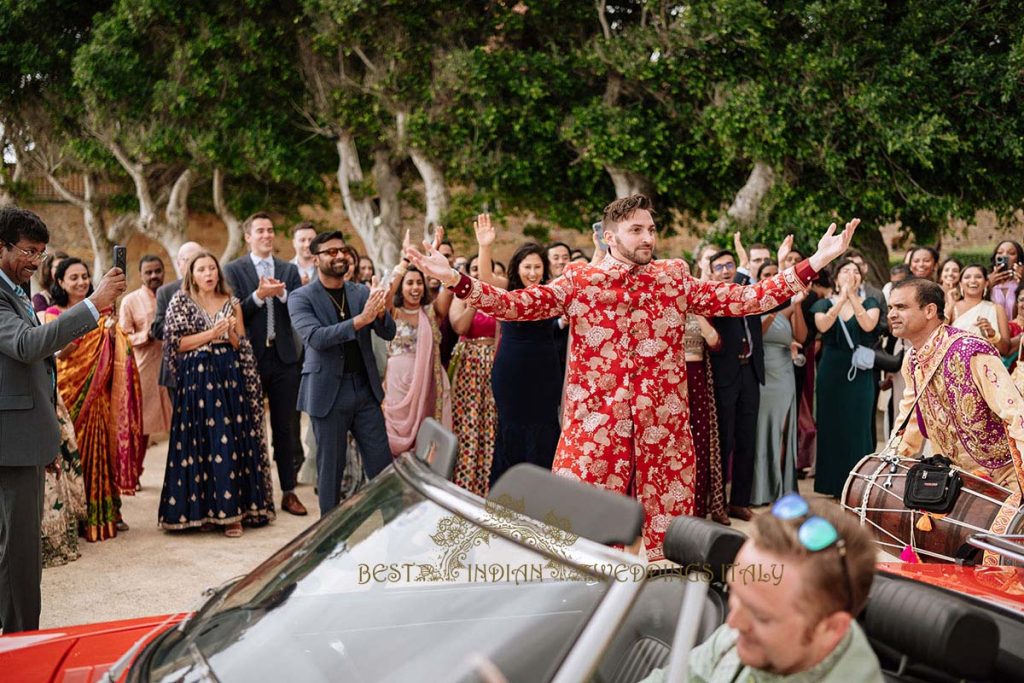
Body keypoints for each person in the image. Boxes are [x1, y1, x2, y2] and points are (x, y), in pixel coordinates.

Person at [405, 194, 858, 560]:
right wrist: (458, 281)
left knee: (670, 553)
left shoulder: (673, 278)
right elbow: (516, 306)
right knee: (580, 541)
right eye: (637, 229)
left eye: (652, 229)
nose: (648, 238)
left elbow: (748, 298)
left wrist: (815, 261)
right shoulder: (580, 281)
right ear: (608, 236)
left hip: (664, 433)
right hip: (596, 432)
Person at [0, 207, 125, 633]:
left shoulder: (15, 289)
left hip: (24, 438)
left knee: (15, 553)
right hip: (9, 444)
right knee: (18, 556)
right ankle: (21, 648)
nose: (36, 261)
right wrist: (94, 306)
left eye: (41, 252)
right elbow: (27, 345)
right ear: (0, 247)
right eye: (28, 251)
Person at [639, 494, 881, 683]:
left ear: (831, 628)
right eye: (734, 593)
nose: (733, 623)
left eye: (761, 616)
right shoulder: (746, 631)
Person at [159, 252, 275, 536]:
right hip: (197, 381)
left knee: (228, 441)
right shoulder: (181, 301)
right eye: (202, 269)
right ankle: (202, 512)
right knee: (202, 443)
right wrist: (211, 333)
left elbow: (240, 344)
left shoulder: (232, 302)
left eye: (212, 268)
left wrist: (230, 333)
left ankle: (232, 514)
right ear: (192, 274)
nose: (209, 273)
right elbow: (177, 344)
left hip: (229, 377)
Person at [287, 231, 396, 514]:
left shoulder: (360, 292)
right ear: (315, 258)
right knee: (330, 473)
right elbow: (317, 338)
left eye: (342, 250)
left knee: (382, 467)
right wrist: (361, 320)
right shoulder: (300, 298)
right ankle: (329, 541)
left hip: (364, 390)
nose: (339, 255)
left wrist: (381, 311)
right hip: (327, 394)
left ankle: (394, 529)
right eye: (331, 252)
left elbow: (388, 332)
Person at [889, 278, 1024, 493]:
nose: (891, 314)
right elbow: (910, 419)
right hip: (955, 481)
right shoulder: (912, 360)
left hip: (1004, 480)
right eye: (890, 308)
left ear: (930, 310)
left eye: (901, 307)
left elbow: (1016, 413)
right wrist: (892, 457)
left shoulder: (970, 351)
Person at [43, 258, 145, 532]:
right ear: (60, 282)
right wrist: (86, 330)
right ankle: (75, 515)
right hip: (67, 392)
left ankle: (105, 512)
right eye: (73, 277)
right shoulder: (53, 314)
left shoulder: (102, 313)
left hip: (98, 392)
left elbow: (119, 350)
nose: (81, 282)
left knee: (101, 450)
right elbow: (58, 352)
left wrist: (113, 335)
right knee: (70, 457)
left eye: (85, 276)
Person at [223, 212, 308, 516]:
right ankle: (254, 492)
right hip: (250, 358)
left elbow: (301, 307)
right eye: (260, 231)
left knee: (285, 427)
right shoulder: (233, 270)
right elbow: (232, 313)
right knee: (249, 426)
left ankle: (288, 490)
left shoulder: (289, 269)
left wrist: (283, 293)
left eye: (270, 230)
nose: (266, 235)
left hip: (285, 357)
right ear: (248, 236)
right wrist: (258, 296)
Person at [811, 258, 880, 498]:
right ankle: (833, 483)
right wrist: (841, 298)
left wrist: (852, 297)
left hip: (860, 371)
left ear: (861, 278)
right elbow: (823, 325)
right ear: (836, 276)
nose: (851, 274)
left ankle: (859, 485)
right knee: (832, 424)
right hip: (832, 369)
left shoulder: (870, 302)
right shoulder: (822, 304)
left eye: (855, 271)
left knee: (858, 424)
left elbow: (868, 325)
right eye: (845, 271)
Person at [708, 249, 767, 522]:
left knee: (747, 439)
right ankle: (717, 503)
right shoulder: (711, 298)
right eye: (718, 267)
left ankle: (740, 502)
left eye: (729, 264)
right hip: (725, 376)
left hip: (750, 373)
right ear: (711, 273)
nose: (724, 270)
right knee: (724, 440)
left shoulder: (749, 293)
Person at [383, 230, 452, 455]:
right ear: (402, 287)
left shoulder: (432, 313)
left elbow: (448, 289)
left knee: (425, 438)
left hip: (428, 383)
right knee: (392, 439)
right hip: (397, 386)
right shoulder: (392, 312)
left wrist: (433, 261)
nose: (415, 288)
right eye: (409, 283)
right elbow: (385, 295)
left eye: (419, 283)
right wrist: (405, 261)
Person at [751, 260, 807, 506]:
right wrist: (773, 309)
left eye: (776, 274)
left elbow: (802, 337)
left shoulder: (788, 308)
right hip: (763, 376)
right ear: (760, 278)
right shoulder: (752, 305)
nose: (772, 277)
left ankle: (782, 488)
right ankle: (762, 488)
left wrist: (797, 306)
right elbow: (758, 334)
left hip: (785, 374)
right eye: (767, 274)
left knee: (784, 430)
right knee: (763, 430)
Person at [449, 250, 500, 496]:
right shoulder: (460, 296)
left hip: (493, 362)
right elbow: (459, 326)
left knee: (490, 423)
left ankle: (487, 486)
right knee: (468, 423)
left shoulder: (498, 297)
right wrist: (473, 301)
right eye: (476, 269)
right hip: (469, 362)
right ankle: (465, 484)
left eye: (485, 269)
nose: (480, 273)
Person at [119, 255, 173, 456]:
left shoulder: (173, 295)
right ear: (140, 275)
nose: (154, 276)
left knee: (177, 422)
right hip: (144, 370)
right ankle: (134, 474)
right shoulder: (130, 301)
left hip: (172, 366)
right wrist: (147, 335)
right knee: (140, 426)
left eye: (157, 271)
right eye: (148, 272)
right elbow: (123, 339)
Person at [683, 299, 727, 524]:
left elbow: (716, 343)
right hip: (668, 380)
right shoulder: (657, 306)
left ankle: (697, 509)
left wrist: (698, 314)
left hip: (696, 377)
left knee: (699, 442)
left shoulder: (700, 310)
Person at [152, 241, 204, 401]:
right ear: (179, 263)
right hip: (178, 368)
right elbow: (158, 329)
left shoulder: (215, 290)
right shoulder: (166, 292)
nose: (192, 264)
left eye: (197, 259)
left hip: (212, 368)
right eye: (187, 260)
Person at [949, 264, 1011, 356]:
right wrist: (950, 304)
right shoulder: (952, 308)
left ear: (986, 283)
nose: (973, 280)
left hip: (989, 366)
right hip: (957, 366)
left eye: (978, 277)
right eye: (967, 277)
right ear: (960, 284)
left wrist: (992, 334)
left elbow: (1005, 350)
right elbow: (939, 341)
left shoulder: (997, 309)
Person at [988, 240, 1024, 321]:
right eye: (1000, 252)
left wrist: (1022, 282)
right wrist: (988, 285)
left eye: (1011, 253)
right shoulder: (985, 280)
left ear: (1019, 259)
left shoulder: (1020, 282)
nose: (1004, 256)